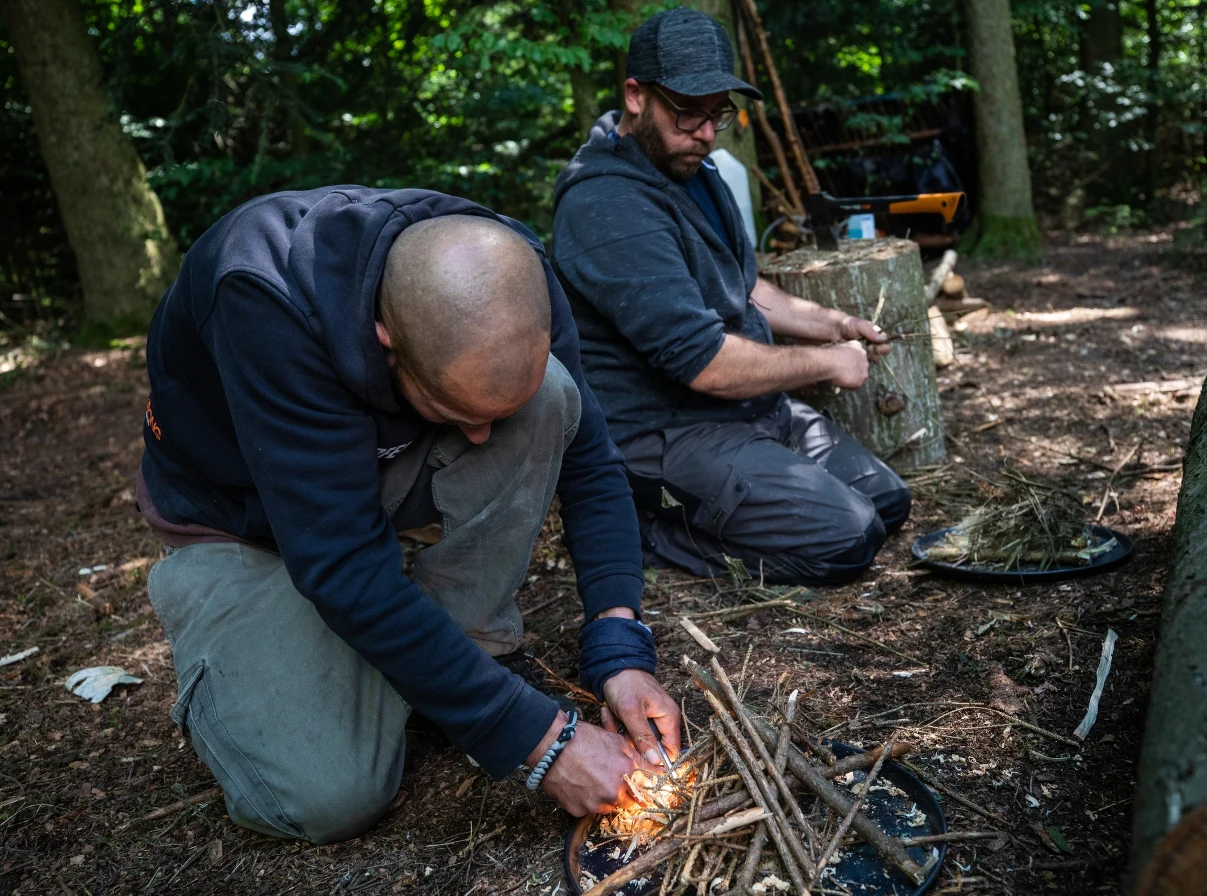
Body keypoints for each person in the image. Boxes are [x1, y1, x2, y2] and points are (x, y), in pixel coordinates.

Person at [138, 187, 681, 844]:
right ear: (385, 342)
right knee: (328, 794)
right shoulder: (260, 295)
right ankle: (294, 641)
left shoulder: (511, 275)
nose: (483, 441)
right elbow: (342, 564)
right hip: (239, 517)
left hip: (362, 479)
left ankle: (457, 656)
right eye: (458, 413)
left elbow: (589, 458)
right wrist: (543, 743)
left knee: (549, 395)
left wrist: (620, 647)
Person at [551, 8, 911, 586]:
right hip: (661, 434)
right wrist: (827, 363)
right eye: (688, 112)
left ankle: (735, 499)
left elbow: (744, 287)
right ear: (636, 95)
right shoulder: (605, 205)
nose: (706, 133)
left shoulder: (692, 168)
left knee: (888, 503)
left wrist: (835, 326)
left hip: (745, 412)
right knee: (849, 540)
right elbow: (705, 364)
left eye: (718, 113)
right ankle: (650, 531)